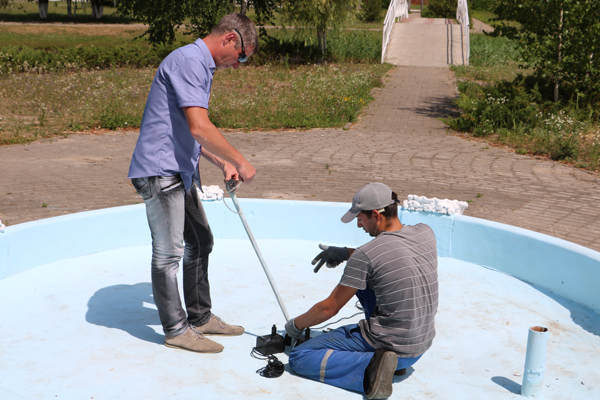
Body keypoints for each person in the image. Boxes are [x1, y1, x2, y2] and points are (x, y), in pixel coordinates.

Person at [128, 13, 259, 354]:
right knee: (168, 254)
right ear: (231, 38)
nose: (239, 64)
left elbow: (189, 129)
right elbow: (200, 126)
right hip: (160, 171)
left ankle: (199, 317)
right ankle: (175, 329)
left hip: (178, 170)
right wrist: (242, 160)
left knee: (200, 241)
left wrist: (223, 161)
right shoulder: (189, 60)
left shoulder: (200, 65)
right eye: (242, 55)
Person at [285, 183, 439, 399]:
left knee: (301, 356)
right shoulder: (425, 232)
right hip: (419, 346)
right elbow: (393, 256)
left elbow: (329, 309)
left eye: (360, 218)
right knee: (371, 280)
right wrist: (347, 253)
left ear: (376, 215)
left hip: (394, 345)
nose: (358, 225)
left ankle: (375, 368)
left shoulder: (366, 256)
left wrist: (295, 325)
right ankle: (393, 364)